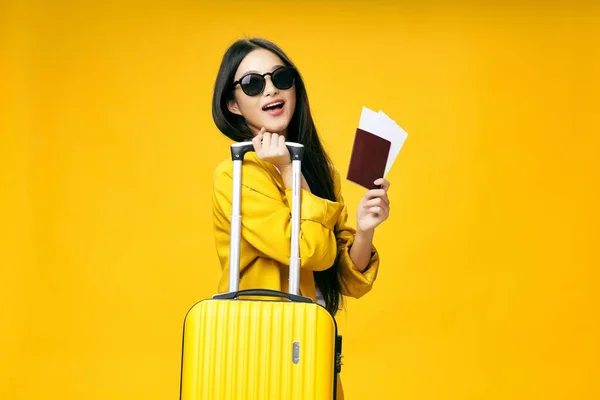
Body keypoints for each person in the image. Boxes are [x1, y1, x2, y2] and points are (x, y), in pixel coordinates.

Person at [210, 37, 391, 399]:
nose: (271, 90)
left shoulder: (319, 168)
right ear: (233, 104)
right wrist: (290, 173)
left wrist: (365, 231)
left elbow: (345, 281)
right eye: (253, 84)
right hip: (262, 349)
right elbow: (309, 252)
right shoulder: (237, 175)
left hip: (312, 345)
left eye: (281, 77)